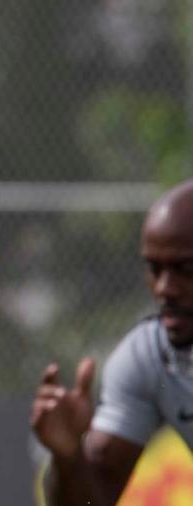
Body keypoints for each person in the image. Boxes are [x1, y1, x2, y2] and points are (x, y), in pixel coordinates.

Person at [31, 179, 193, 505]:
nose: (165, 289)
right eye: (154, 268)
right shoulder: (148, 356)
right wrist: (69, 458)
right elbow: (93, 500)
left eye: (185, 268)